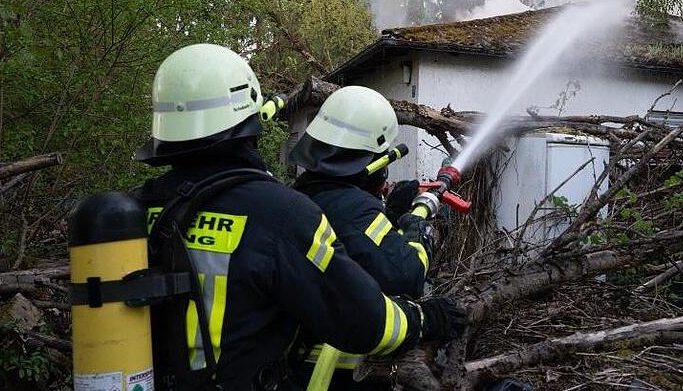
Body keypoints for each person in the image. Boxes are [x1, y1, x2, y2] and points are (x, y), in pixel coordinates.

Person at [133, 44, 465, 391]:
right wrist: (426, 318)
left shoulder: (137, 211)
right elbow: (365, 321)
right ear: (250, 116)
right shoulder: (280, 215)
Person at [288, 86, 439, 389]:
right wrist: (416, 229)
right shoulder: (352, 207)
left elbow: (361, 249)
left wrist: (390, 216)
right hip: (338, 371)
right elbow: (405, 274)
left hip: (291, 364)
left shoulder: (299, 196)